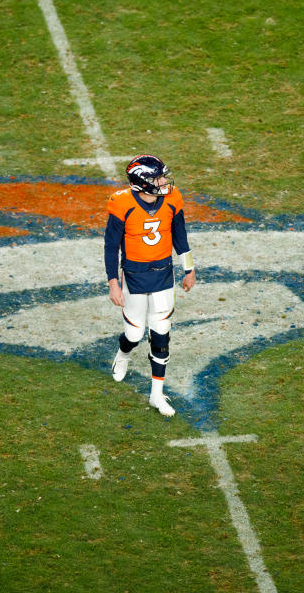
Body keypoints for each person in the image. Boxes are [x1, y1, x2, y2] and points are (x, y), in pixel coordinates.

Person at [104, 155, 196, 416]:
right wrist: (113, 283)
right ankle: (123, 354)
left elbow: (180, 235)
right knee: (133, 335)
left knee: (161, 333)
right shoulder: (122, 204)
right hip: (133, 275)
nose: (164, 181)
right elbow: (111, 247)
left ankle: (156, 395)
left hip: (164, 274)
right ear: (142, 183)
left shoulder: (172, 198)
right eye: (158, 178)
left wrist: (190, 269)